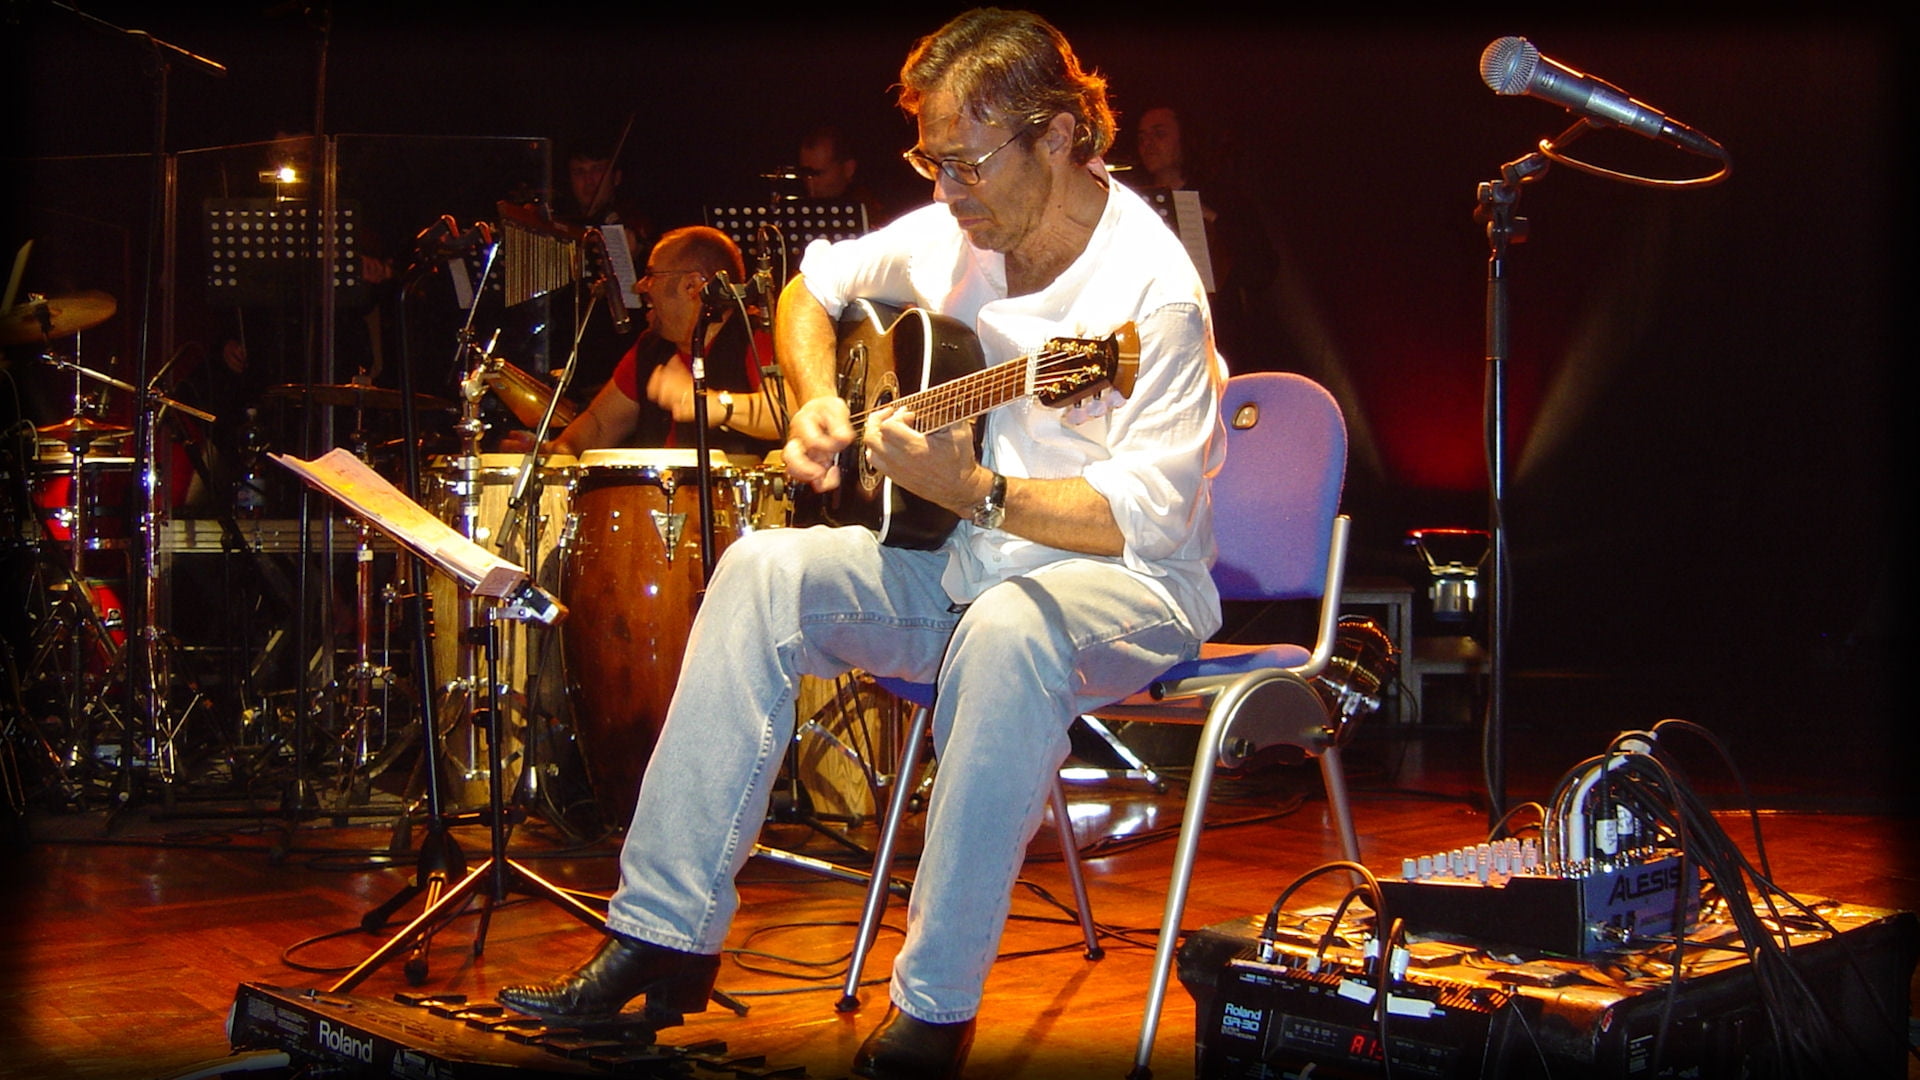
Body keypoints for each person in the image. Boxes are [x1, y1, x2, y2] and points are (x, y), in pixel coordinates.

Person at [498, 11, 1226, 1078]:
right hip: (964, 574)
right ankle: (660, 937)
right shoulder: (950, 234)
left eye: (965, 160)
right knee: (761, 571)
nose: (944, 189)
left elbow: (1146, 517)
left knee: (1014, 630)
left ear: (1063, 133)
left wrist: (975, 490)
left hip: (1124, 588)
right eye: (927, 158)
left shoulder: (1154, 298)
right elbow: (810, 288)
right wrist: (811, 402)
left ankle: (930, 1019)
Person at [504, 225, 784, 458]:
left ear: (693, 285)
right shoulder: (651, 348)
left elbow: (787, 415)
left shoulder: (756, 335)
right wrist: (550, 453)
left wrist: (714, 404)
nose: (639, 286)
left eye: (651, 275)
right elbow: (599, 426)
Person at [1124, 104, 1277, 370]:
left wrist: (1213, 220)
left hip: (1219, 337)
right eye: (1142, 137)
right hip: (1156, 340)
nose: (1147, 144)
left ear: (1185, 139)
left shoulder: (1224, 198)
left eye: (1159, 134)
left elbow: (1261, 270)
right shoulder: (1129, 202)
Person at [795, 124, 889, 227]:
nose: (810, 183)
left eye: (819, 174)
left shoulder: (869, 211)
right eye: (806, 174)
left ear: (848, 169)